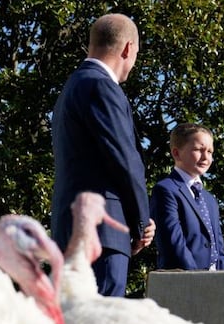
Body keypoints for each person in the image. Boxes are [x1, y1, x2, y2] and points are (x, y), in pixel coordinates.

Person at [50, 13, 155, 296]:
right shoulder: (101, 86)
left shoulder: (71, 89)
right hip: (102, 231)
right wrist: (142, 222)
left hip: (71, 231)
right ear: (128, 48)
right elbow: (124, 159)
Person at [150, 123, 224, 271]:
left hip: (215, 281)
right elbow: (173, 242)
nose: (206, 157)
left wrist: (222, 276)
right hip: (183, 279)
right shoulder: (166, 189)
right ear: (176, 153)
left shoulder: (209, 199)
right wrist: (195, 277)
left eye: (210, 151)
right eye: (198, 150)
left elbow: (219, 245)